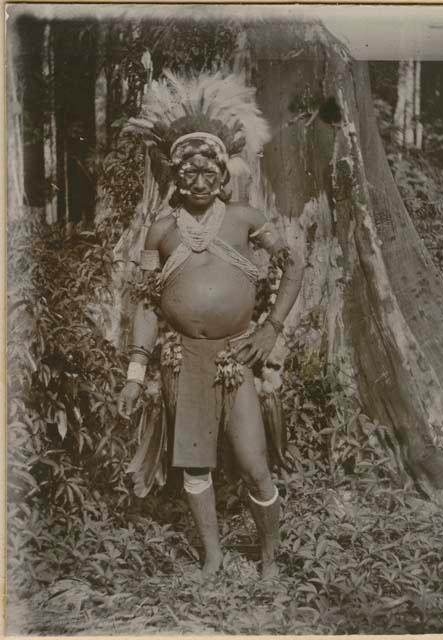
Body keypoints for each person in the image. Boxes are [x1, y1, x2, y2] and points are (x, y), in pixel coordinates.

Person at [117, 72, 304, 580]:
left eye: (209, 172)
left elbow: (295, 264)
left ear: (224, 175)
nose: (199, 181)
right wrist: (136, 376)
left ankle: (269, 560)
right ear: (176, 176)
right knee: (194, 465)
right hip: (183, 361)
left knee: (252, 461)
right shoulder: (161, 231)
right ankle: (213, 557)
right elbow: (148, 305)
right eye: (189, 172)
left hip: (236, 357)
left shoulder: (244, 218)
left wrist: (272, 329)